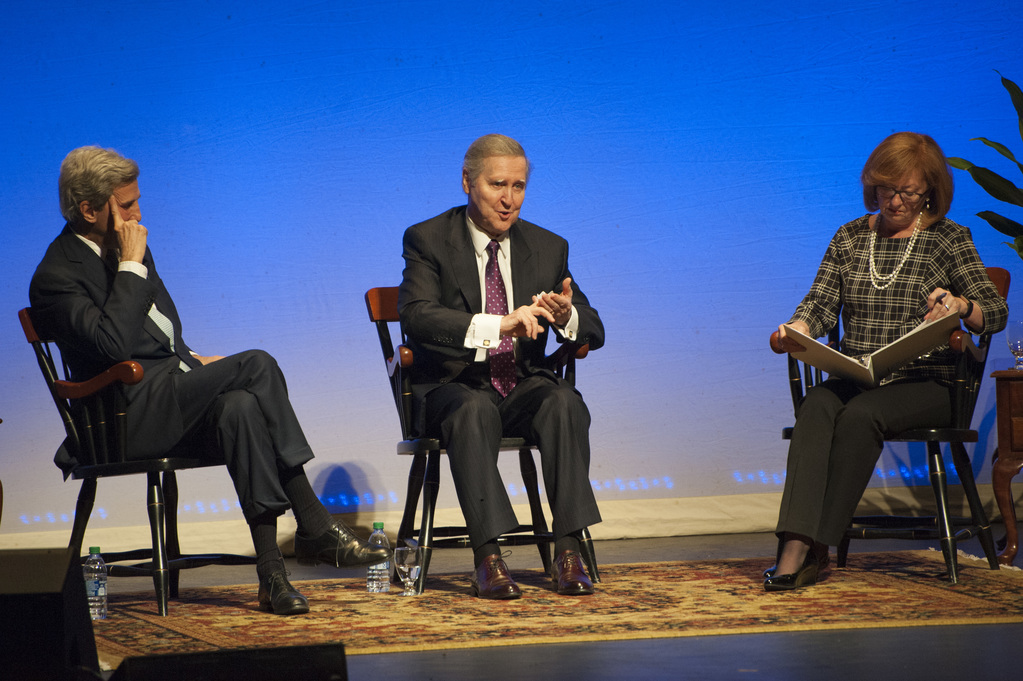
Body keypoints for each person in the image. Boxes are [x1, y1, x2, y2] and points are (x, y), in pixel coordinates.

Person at [29, 146, 389, 616]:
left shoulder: (128, 245)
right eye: (127, 205)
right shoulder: (56, 275)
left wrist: (195, 361)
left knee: (240, 407)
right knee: (257, 363)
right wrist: (131, 266)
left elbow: (163, 333)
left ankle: (272, 574)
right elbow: (114, 346)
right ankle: (313, 521)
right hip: (123, 417)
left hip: (170, 396)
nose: (138, 215)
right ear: (89, 210)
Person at [768, 132, 1008, 591]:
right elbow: (819, 305)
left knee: (862, 415)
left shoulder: (948, 238)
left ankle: (816, 544)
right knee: (817, 406)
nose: (896, 201)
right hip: (859, 374)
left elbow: (995, 311)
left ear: (930, 191)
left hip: (928, 384)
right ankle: (794, 546)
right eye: (886, 189)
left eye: (908, 192)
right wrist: (795, 330)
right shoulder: (851, 237)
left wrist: (960, 306)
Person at [398, 134, 604, 599]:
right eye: (497, 185)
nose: (509, 199)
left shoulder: (548, 246)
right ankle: (488, 558)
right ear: (468, 182)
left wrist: (565, 316)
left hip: (519, 388)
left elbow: (594, 326)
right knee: (473, 410)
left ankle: (567, 552)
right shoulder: (428, 239)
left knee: (563, 401)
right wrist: (497, 325)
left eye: (519, 186)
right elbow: (416, 314)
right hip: (452, 388)